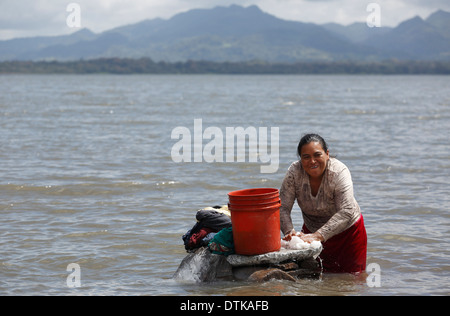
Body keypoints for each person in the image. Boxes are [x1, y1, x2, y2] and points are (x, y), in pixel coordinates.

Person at [280, 133, 367, 273]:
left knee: (351, 280)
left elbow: (347, 210)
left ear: (327, 154)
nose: (312, 161)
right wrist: (290, 233)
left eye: (317, 155)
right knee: (312, 278)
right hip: (310, 232)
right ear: (300, 159)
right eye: (306, 157)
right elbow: (282, 207)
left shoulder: (339, 172)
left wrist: (318, 235)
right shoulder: (294, 172)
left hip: (347, 234)